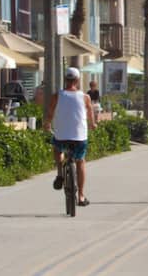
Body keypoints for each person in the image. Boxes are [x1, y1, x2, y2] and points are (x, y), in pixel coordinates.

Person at [44, 67, 96, 207]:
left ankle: (60, 173)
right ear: (78, 80)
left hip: (61, 136)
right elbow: (90, 114)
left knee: (57, 148)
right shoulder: (85, 97)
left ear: (65, 80)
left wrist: (47, 125)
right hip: (80, 137)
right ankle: (80, 196)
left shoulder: (57, 95)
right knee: (80, 161)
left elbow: (49, 114)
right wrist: (93, 125)